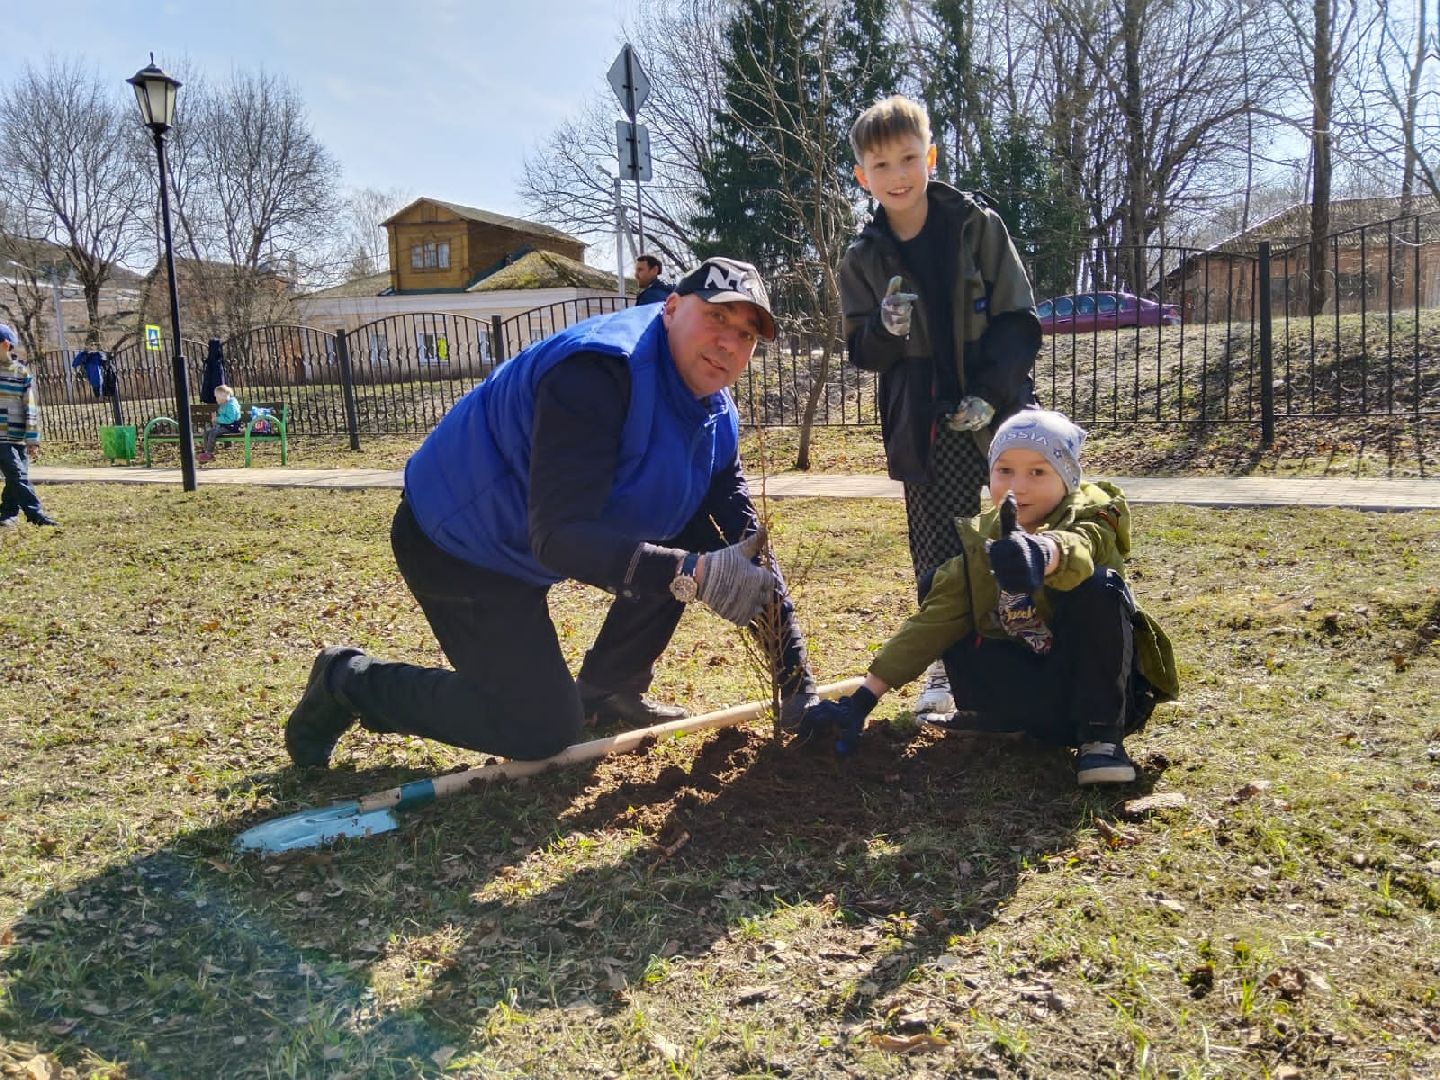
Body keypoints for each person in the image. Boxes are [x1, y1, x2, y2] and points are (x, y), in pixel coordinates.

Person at [285, 257, 818, 768]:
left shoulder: (715, 415)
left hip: (535, 537)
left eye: (747, 334)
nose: (729, 342)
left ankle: (609, 687)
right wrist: (693, 574)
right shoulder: (598, 372)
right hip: (459, 542)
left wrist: (798, 685)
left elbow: (742, 544)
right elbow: (560, 536)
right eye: (717, 317)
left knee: (697, 539)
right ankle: (348, 680)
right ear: (672, 307)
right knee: (537, 727)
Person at [800, 409, 1178, 785]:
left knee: (1100, 586)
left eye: (1038, 472)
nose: (1018, 486)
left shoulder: (1094, 515)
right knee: (939, 585)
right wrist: (861, 700)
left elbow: (1081, 548)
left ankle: (1101, 740)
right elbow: (929, 625)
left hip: (1095, 692)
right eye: (1005, 470)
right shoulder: (985, 542)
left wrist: (1041, 554)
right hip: (1034, 696)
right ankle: (995, 718)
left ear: (1067, 479)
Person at [838, 94, 1042, 722]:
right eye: (881, 165)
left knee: (1027, 524)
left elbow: (1018, 319)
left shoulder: (978, 226)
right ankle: (946, 667)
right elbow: (860, 350)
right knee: (939, 547)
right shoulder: (861, 258)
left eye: (908, 158)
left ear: (930, 158)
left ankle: (1036, 651)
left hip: (997, 407)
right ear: (862, 177)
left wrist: (992, 393)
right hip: (925, 422)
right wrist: (885, 328)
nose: (898, 175)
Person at [0, 324, 58, 528]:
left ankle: (8, 514)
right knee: (17, 474)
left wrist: (32, 439)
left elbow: (30, 407)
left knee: (16, 477)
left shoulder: (21, 373)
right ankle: (35, 514)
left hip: (18, 437)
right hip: (1, 438)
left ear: (5, 345)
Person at [196, 384, 242, 463]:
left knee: (212, 433)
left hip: (231, 427)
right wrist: (217, 419)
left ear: (223, 396)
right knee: (206, 433)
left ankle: (209, 453)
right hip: (224, 426)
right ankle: (206, 453)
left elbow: (230, 420)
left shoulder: (231, 405)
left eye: (217, 397)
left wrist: (217, 419)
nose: (216, 399)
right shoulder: (224, 404)